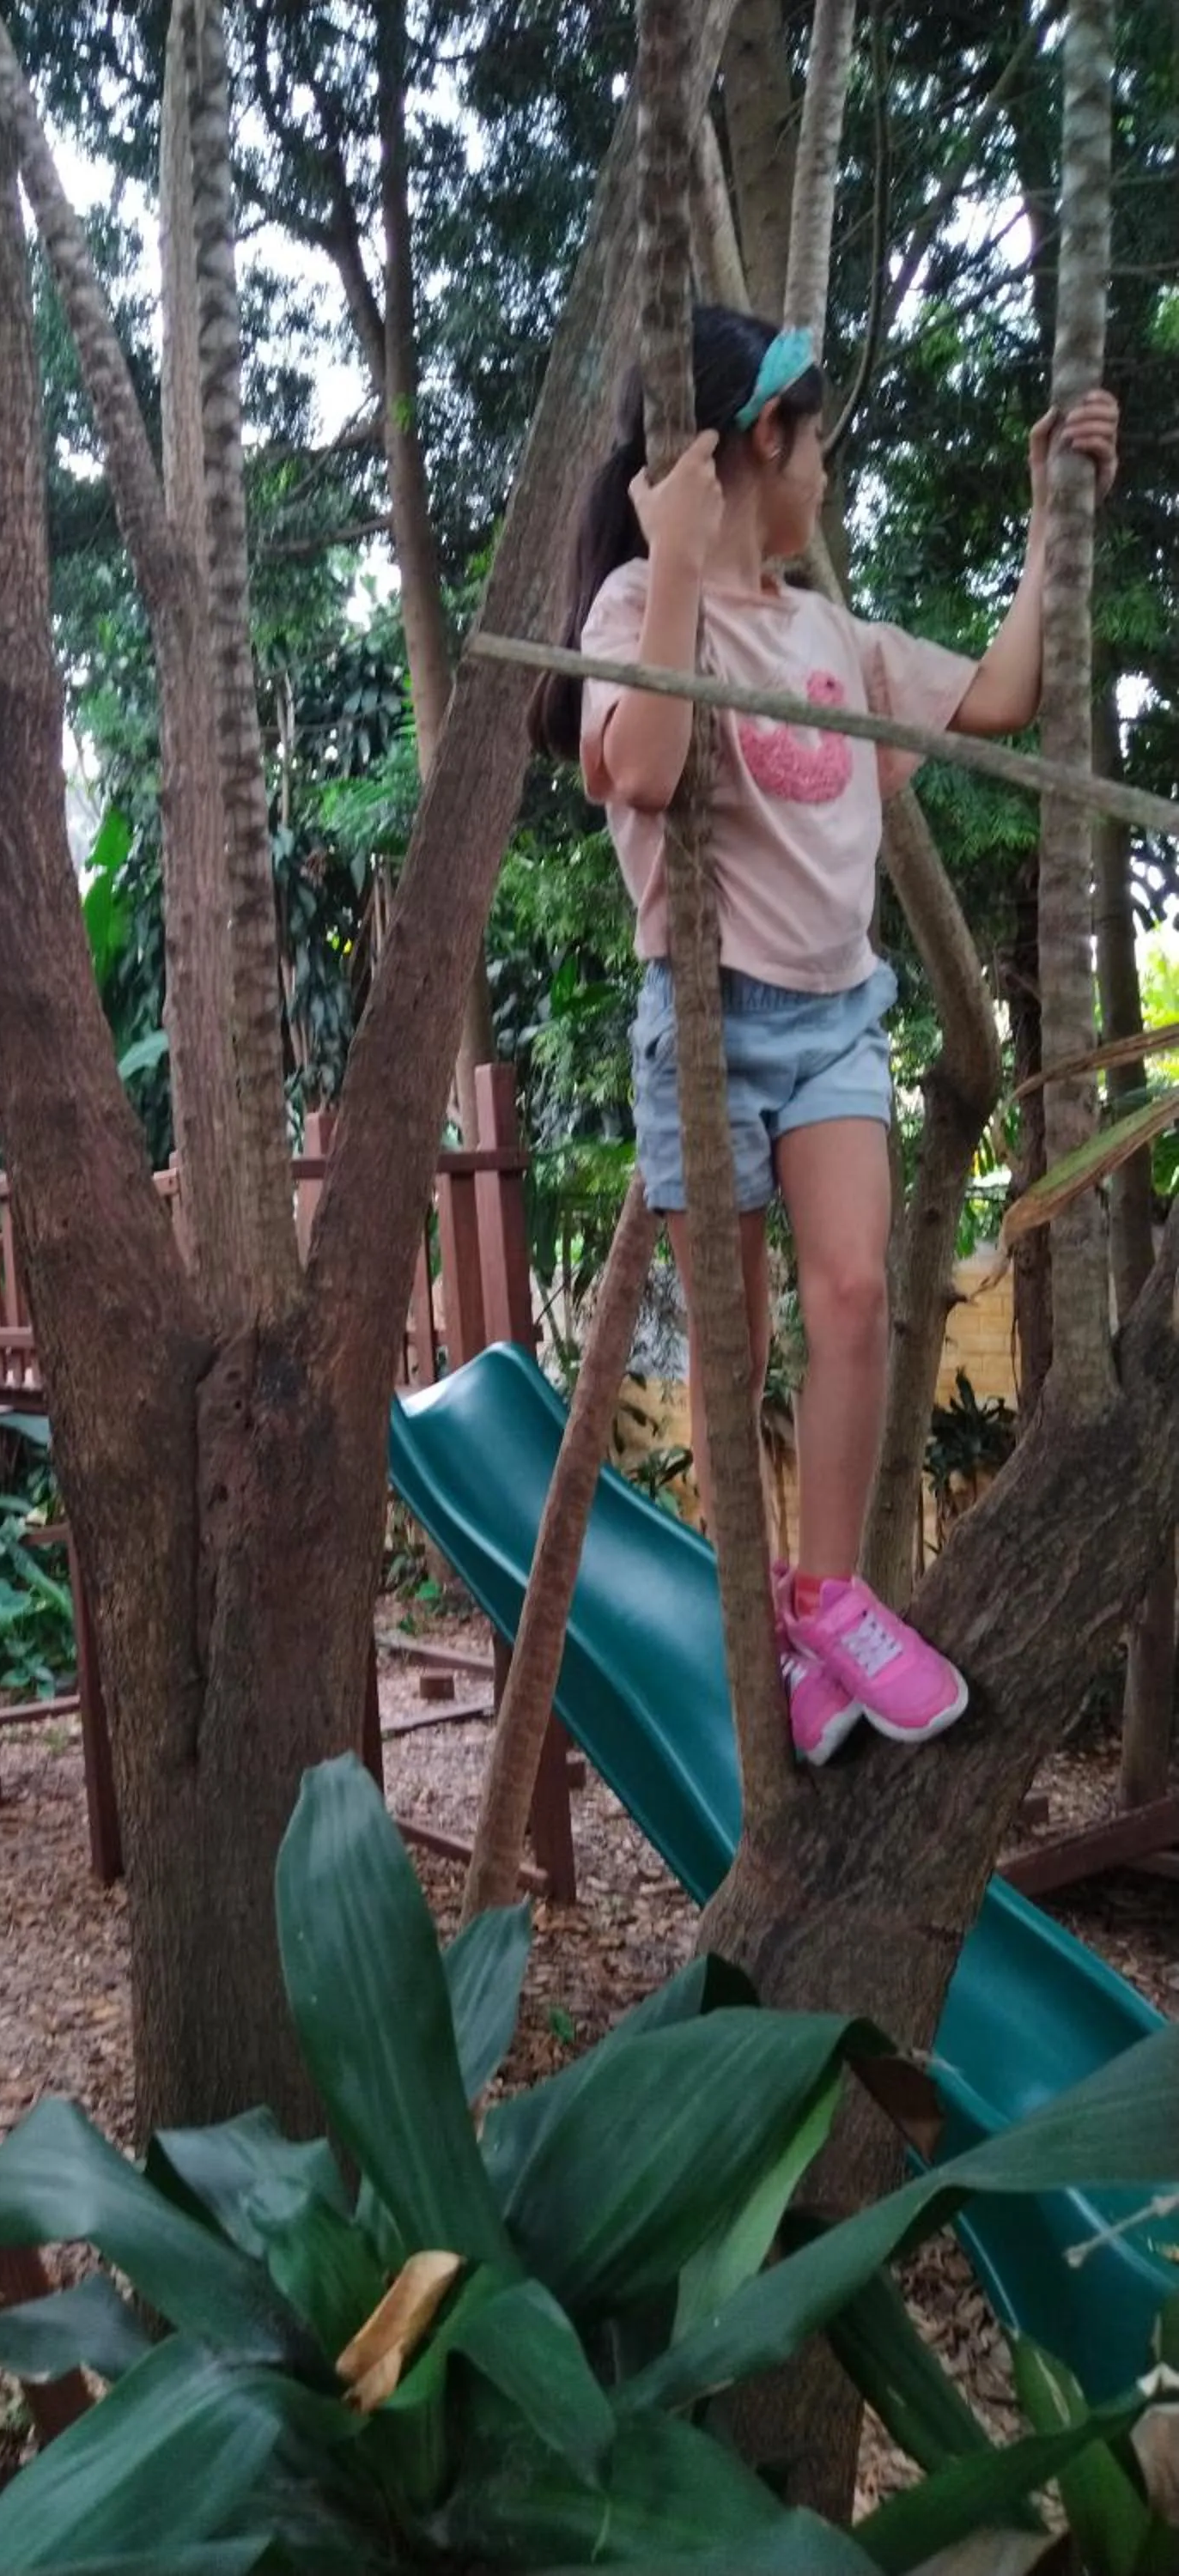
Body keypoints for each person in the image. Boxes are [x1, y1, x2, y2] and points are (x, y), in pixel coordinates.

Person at [527, 307, 1119, 1765]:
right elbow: (647, 770)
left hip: (836, 1016)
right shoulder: (629, 611)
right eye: (816, 450)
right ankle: (767, 1634)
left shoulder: (827, 636)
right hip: (706, 1026)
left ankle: (835, 1595)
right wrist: (668, 564)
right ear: (754, 446)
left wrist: (1054, 530)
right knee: (729, 1363)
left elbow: (995, 695)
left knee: (851, 1302)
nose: (826, 482)